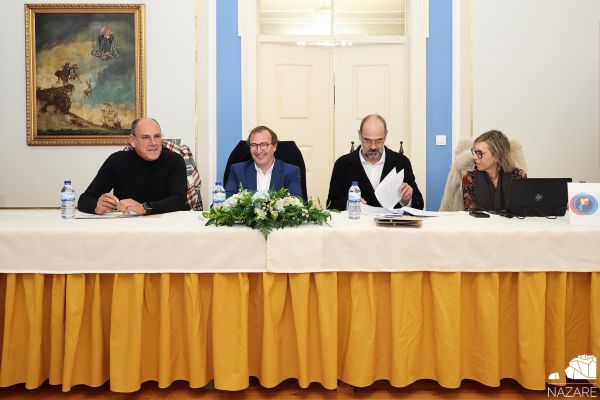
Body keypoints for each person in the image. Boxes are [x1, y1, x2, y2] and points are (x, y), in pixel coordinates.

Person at [78, 118, 189, 215]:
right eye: (145, 137)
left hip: (168, 224)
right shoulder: (116, 161)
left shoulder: (175, 160)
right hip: (128, 226)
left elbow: (178, 200)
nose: (153, 143)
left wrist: (144, 208)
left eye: (157, 136)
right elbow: (85, 199)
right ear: (133, 141)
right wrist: (97, 207)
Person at [327, 114, 424, 211]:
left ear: (386, 135)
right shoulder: (342, 164)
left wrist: (408, 200)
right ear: (360, 135)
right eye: (368, 140)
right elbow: (331, 205)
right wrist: (350, 204)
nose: (373, 147)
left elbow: (419, 204)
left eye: (378, 141)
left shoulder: (402, 162)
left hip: (393, 221)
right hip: (357, 220)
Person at [225, 126, 303, 198]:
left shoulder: (291, 172)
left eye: (263, 144)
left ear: (274, 146)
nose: (258, 150)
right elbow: (226, 202)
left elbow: (296, 203)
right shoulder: (237, 170)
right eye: (253, 145)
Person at [462, 130, 527, 212]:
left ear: (497, 156)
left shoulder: (518, 176)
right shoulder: (469, 178)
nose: (474, 157)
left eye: (479, 153)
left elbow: (524, 210)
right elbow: (469, 214)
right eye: (474, 152)